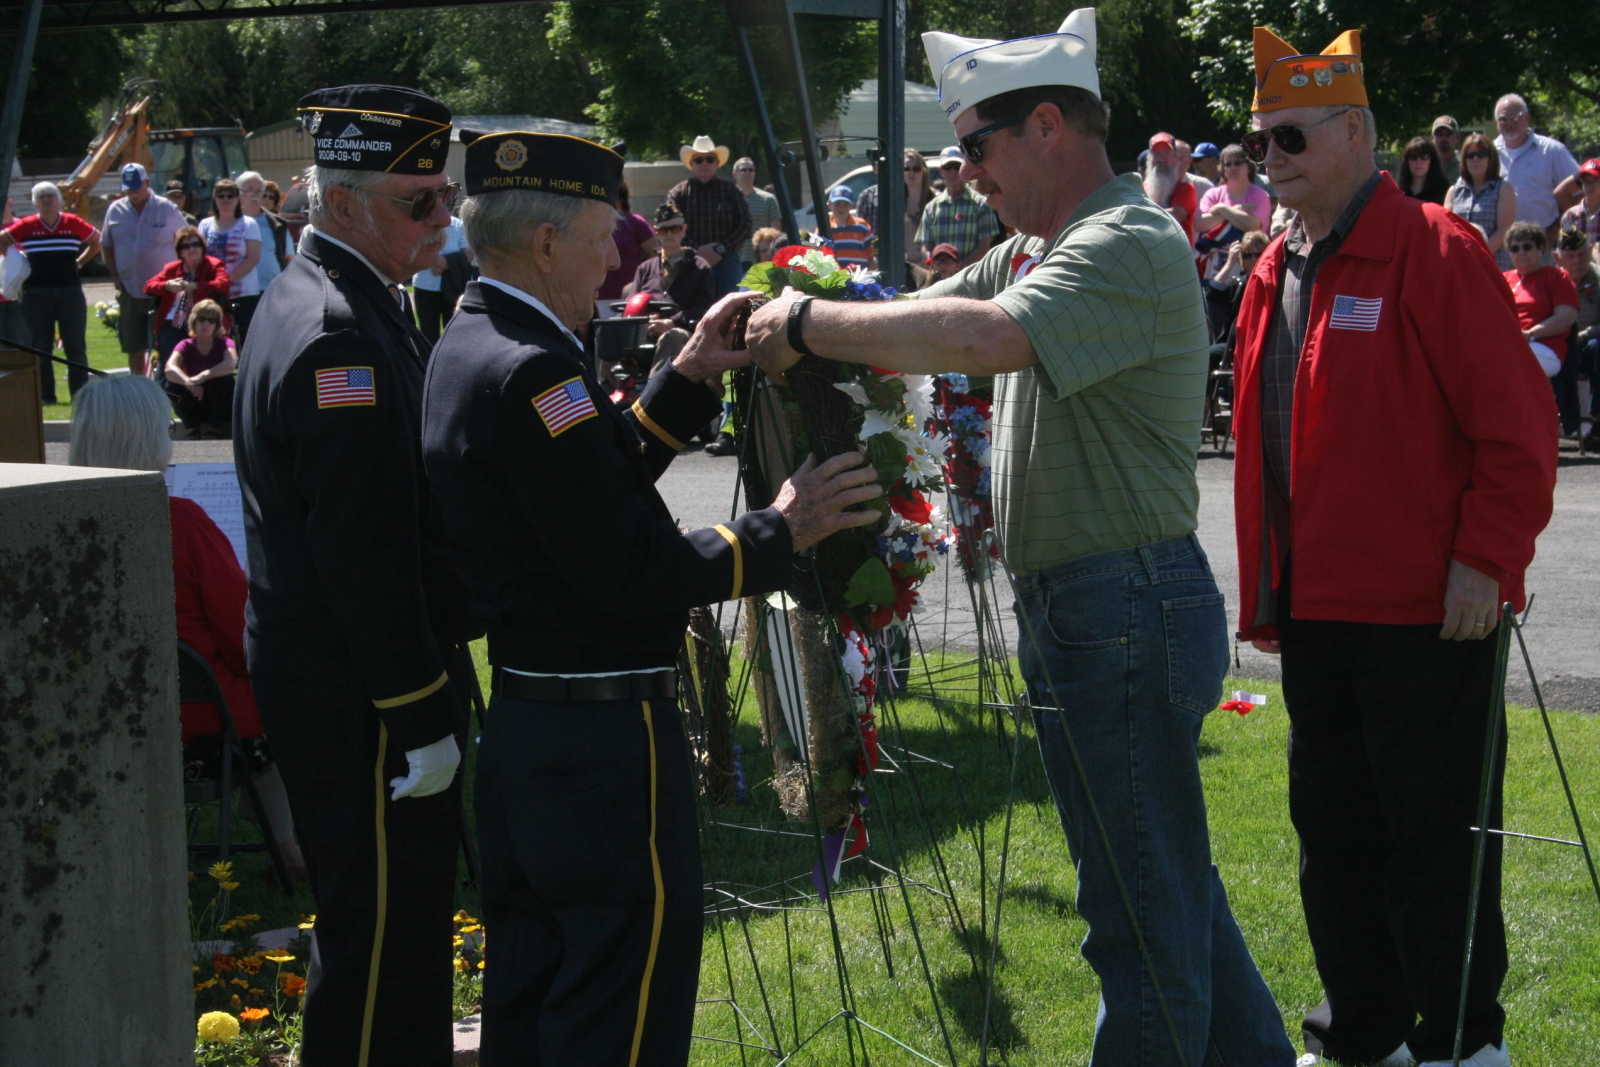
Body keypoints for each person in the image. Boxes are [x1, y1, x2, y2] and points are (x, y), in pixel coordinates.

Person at [746, 11, 1294, 1065]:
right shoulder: (1044, 246)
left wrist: (803, 326)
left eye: (976, 148)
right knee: (1162, 885)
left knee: (1137, 911)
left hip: (1121, 599)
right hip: (1096, 602)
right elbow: (913, 313)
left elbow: (981, 334)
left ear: (1046, 126)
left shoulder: (1125, 239)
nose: (966, 175)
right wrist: (785, 301)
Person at [419, 129, 880, 1065]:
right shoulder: (534, 366)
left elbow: (580, 493)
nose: (617, 259)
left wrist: (687, 376)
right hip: (601, 744)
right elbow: (630, 567)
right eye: (603, 238)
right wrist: (779, 530)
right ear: (546, 241)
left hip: (531, 730)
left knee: (535, 997)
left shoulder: (476, 338)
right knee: (619, 1009)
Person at [1234, 26, 1555, 1067]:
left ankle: (1462, 1041)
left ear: (1356, 134)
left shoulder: (1435, 247)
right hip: (1314, 603)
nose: (1269, 160)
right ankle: (1362, 1038)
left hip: (1426, 606)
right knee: (1333, 837)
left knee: (1436, 838)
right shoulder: (1274, 264)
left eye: (1289, 137)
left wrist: (1486, 558)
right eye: (1259, 142)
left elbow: (1519, 427)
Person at [233, 84, 467, 1067]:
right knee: (381, 940)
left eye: (445, 194)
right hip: (362, 691)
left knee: (392, 932)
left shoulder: (343, 293)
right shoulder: (338, 329)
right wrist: (417, 711)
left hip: (341, 675)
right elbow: (363, 550)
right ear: (341, 203)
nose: (443, 216)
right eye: (419, 201)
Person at [0, 181, 101, 403]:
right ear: (35, 203)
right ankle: (46, 396)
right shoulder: (26, 225)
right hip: (35, 294)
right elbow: (2, 241)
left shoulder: (72, 223)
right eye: (41, 196)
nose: (46, 200)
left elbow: (97, 241)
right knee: (40, 347)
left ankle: (80, 395)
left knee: (75, 346)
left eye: (50, 195)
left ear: (59, 200)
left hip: (70, 293)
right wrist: (15, 263)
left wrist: (80, 261)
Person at [102, 162, 187, 376]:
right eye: (128, 188)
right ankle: (139, 387)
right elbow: (106, 245)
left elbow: (186, 241)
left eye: (136, 187)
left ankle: (167, 384)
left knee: (165, 344)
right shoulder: (115, 210)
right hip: (130, 291)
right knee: (134, 348)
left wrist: (182, 276)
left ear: (147, 183)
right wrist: (115, 277)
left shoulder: (166, 208)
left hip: (163, 292)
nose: (133, 193)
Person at [666, 133, 752, 296]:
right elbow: (671, 226)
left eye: (710, 159)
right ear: (691, 164)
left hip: (726, 261)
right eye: (699, 160)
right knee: (690, 306)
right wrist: (697, 251)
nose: (704, 164)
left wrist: (720, 248)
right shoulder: (678, 193)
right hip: (689, 262)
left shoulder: (731, 191)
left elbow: (745, 225)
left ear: (717, 163)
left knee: (730, 305)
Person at [1494, 93, 1579, 242]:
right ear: (1496, 123)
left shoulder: (1552, 151)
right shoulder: (1488, 153)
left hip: (1544, 243)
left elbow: (1582, 191)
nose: (1509, 123)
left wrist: (1562, 226)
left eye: (1516, 117)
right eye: (1503, 119)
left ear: (1527, 118)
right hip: (1501, 245)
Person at [144, 224, 231, 365]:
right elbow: (148, 286)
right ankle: (169, 374)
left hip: (204, 319)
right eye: (186, 246)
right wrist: (167, 286)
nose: (192, 249)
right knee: (169, 351)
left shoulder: (214, 265)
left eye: (196, 244)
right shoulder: (172, 268)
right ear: (180, 251)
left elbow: (223, 284)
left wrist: (197, 286)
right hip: (175, 322)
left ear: (202, 247)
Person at [628, 201, 717, 336]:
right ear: (656, 232)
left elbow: (705, 309)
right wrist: (647, 319)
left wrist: (673, 322)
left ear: (684, 230)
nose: (669, 235)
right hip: (646, 332)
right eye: (663, 230)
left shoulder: (700, 267)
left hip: (684, 333)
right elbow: (631, 306)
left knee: (673, 339)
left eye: (675, 229)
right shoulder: (645, 269)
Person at [1502, 220, 1578, 378]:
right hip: (1508, 343)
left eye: (1527, 247)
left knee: (1502, 358)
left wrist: (1529, 334)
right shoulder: (1503, 279)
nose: (1521, 252)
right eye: (1515, 248)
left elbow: (1566, 318)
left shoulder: (1556, 277)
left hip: (1543, 347)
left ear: (1540, 249)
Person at [162, 297, 237, 437]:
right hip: (194, 393)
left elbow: (230, 364)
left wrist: (203, 376)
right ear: (194, 321)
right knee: (172, 386)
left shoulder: (226, 343)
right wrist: (189, 382)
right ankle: (194, 426)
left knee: (224, 381)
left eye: (211, 320)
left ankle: (216, 427)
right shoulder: (185, 344)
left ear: (217, 325)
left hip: (216, 397)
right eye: (202, 319)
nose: (206, 324)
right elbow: (169, 368)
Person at [199, 177, 261, 342]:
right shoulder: (205, 225)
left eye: (230, 195)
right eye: (221, 195)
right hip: (213, 292)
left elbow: (253, 258)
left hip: (244, 293)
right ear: (214, 198)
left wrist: (226, 280)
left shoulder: (249, 224)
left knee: (246, 339)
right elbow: (201, 257)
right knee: (214, 339)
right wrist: (215, 284)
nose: (225, 199)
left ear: (237, 198)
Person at [916, 146, 998, 265]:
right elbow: (926, 246)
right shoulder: (931, 208)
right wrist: (935, 264)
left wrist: (958, 269)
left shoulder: (981, 204)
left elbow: (984, 247)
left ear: (963, 169)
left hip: (971, 274)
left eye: (956, 167)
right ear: (941, 171)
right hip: (940, 273)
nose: (953, 172)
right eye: (948, 168)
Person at [1449, 132, 1518, 269]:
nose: (1475, 159)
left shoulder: (1503, 189)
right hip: (1459, 265)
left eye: (1480, 155)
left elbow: (1504, 231)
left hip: (1493, 265)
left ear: (1490, 159)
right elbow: (1447, 230)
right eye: (1470, 155)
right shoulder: (1454, 191)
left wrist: (1477, 255)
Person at [412, 214, 473, 344]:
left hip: (453, 286)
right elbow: (411, 246)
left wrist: (446, 262)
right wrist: (433, 261)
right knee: (427, 334)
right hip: (424, 285)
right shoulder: (419, 222)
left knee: (452, 333)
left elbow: (468, 254)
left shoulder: (458, 225)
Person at [598, 181, 656, 303]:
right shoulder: (593, 224)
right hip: (598, 297)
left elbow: (655, 256)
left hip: (630, 300)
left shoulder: (636, 223)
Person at [238, 171, 289, 301]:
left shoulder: (277, 224)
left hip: (272, 292)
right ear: (238, 193)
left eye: (259, 191)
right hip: (240, 293)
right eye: (250, 190)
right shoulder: (227, 222)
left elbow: (289, 259)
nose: (255, 195)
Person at [1145, 131, 1199, 244]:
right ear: (1150, 158)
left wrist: (1140, 215)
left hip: (1178, 252)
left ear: (1175, 157)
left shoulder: (1186, 188)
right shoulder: (1142, 188)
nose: (1161, 159)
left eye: (1166, 153)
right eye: (1157, 153)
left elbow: (1175, 215)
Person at [732, 156, 781, 268]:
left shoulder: (768, 199)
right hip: (735, 260)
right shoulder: (727, 199)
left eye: (751, 170)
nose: (748, 173)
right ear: (734, 174)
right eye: (743, 170)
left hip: (760, 260)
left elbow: (776, 232)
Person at [823, 185, 874, 268]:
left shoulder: (862, 226)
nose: (841, 208)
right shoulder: (825, 227)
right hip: (835, 274)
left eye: (845, 204)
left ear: (851, 206)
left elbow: (870, 253)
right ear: (829, 205)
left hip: (859, 273)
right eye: (837, 204)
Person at [1558, 156, 1600, 245]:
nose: (1589, 186)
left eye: (1594, 181)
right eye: (1585, 181)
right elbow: (1565, 249)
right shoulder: (1570, 216)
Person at [1399, 136, 1449, 204]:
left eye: (1424, 157)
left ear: (1432, 160)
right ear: (1407, 161)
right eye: (1413, 157)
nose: (1418, 162)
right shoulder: (1400, 191)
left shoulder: (1443, 190)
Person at [1432, 115, 1461, 184]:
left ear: (1457, 138)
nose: (1443, 138)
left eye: (1448, 134)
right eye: (1439, 134)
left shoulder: (1466, 164)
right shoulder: (1424, 164)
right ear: (1433, 139)